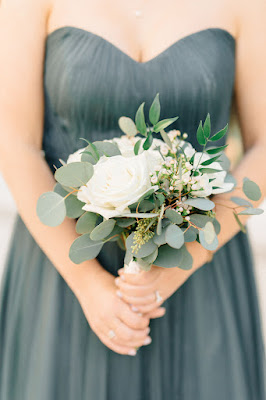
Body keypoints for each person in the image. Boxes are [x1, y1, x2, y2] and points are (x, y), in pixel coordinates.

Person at [0, 0, 265, 398]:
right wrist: (88, 284)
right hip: (63, 265)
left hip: (201, 265)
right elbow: (14, 141)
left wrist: (181, 264)